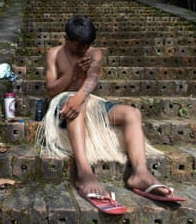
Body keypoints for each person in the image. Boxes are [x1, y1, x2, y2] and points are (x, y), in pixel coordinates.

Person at [38, 16, 185, 203]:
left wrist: (80, 96)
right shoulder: (54, 53)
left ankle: (140, 173)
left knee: (133, 114)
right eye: (78, 45)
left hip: (89, 100)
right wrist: (73, 74)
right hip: (63, 102)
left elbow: (92, 78)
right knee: (77, 107)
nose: (83, 50)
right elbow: (50, 90)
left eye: (87, 45)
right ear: (66, 39)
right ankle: (84, 173)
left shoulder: (94, 53)